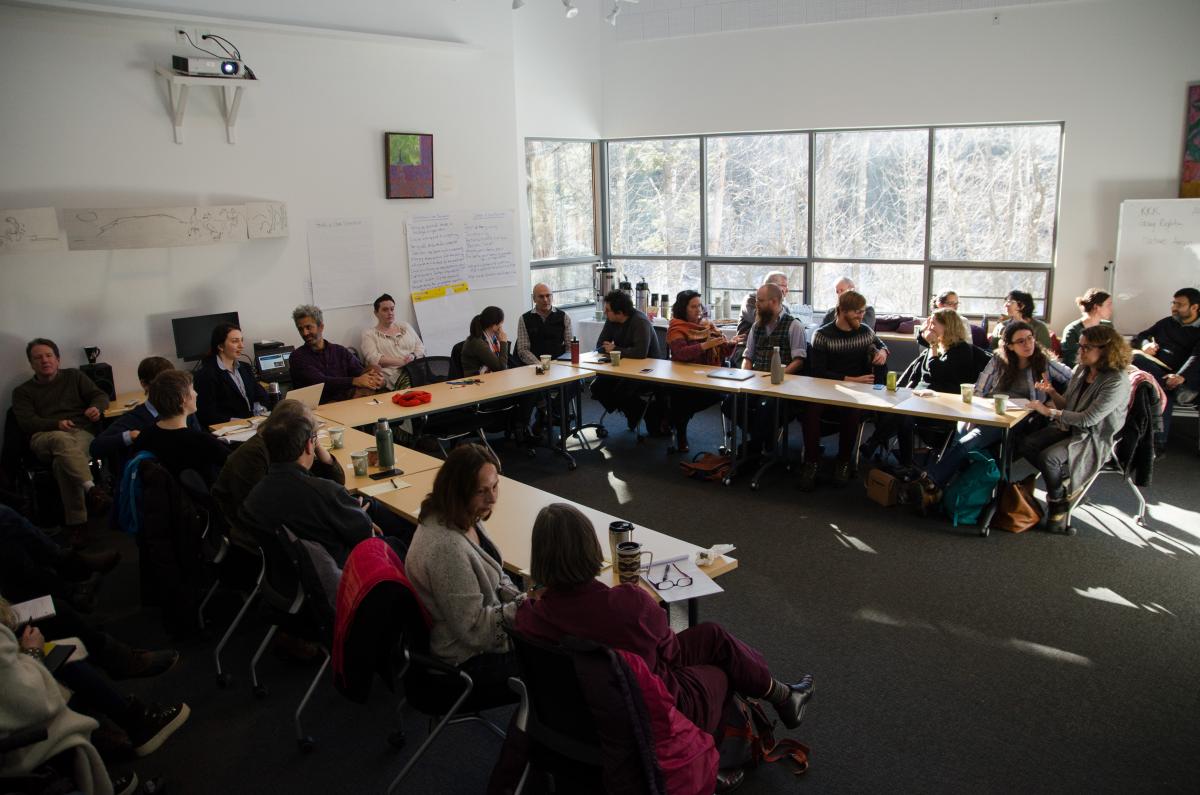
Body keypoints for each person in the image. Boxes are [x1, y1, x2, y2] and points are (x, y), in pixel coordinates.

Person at [515, 503, 815, 740]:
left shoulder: (531, 616)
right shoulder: (627, 603)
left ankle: (784, 695)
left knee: (712, 635)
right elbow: (670, 652)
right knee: (723, 674)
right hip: (654, 708)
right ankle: (714, 763)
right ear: (591, 548)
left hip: (579, 713)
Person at [906, 321, 1072, 514]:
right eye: (1020, 341)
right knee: (961, 434)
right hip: (989, 411)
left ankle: (932, 483)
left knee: (968, 442)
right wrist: (972, 414)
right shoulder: (998, 360)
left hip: (1020, 419)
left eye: (1030, 338)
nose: (1028, 344)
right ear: (1009, 346)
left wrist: (1053, 400)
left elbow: (1074, 379)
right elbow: (979, 389)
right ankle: (941, 491)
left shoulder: (1044, 363)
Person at [0, 598, 189, 763]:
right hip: (14, 736)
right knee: (62, 657)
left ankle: (112, 731)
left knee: (59, 619)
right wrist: (33, 652)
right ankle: (113, 732)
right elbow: (27, 697)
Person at [404, 444, 523, 703]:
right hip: (464, 661)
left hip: (479, 636)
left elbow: (495, 571)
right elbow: (474, 630)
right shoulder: (447, 548)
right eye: (481, 491)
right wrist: (524, 609)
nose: (492, 498)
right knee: (562, 665)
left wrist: (523, 599)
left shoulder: (463, 514)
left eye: (495, 486)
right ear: (458, 491)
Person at [1022, 325, 1132, 533]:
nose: (1079, 351)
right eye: (1080, 346)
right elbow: (1069, 408)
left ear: (1106, 350)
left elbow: (1088, 419)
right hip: (1072, 427)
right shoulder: (1082, 370)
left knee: (1049, 458)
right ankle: (1064, 486)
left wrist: (1049, 412)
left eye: (1086, 347)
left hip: (1093, 436)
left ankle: (1057, 501)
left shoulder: (1116, 381)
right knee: (1027, 444)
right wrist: (1053, 393)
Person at [239, 404, 379, 567]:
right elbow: (365, 534)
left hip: (292, 574)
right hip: (344, 570)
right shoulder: (323, 492)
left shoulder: (256, 493)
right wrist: (358, 516)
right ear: (309, 445)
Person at [11, 338, 111, 545]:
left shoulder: (74, 377)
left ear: (57, 359)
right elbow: (28, 422)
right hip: (44, 437)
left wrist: (96, 408)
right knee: (60, 439)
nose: (44, 360)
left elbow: (100, 395)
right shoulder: (22, 392)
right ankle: (93, 490)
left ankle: (77, 525)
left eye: (48, 356)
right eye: (38, 358)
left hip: (79, 432)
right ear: (31, 363)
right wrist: (56, 424)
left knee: (61, 464)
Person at [801, 290, 888, 490]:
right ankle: (811, 462)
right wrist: (851, 379)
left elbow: (880, 344)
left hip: (856, 392)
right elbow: (818, 372)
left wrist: (882, 351)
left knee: (853, 410)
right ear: (842, 311)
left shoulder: (865, 331)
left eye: (863, 311)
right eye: (857, 312)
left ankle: (843, 461)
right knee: (811, 410)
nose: (861, 316)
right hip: (827, 387)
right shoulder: (822, 335)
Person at [872, 309, 977, 466]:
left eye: (934, 324)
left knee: (903, 413)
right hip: (924, 400)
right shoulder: (940, 345)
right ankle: (904, 462)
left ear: (948, 327)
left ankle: (874, 445)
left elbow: (937, 372)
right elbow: (921, 338)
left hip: (945, 406)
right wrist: (927, 329)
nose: (930, 327)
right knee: (902, 414)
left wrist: (933, 344)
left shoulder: (961, 350)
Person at [90, 357, 201, 477]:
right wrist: (129, 436)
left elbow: (198, 439)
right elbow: (96, 446)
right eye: (162, 385)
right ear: (144, 384)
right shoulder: (134, 418)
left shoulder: (184, 410)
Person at [732, 281, 805, 457]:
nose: (756, 303)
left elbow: (799, 360)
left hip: (782, 385)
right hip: (757, 382)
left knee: (766, 406)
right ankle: (763, 437)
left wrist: (777, 377)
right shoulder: (756, 326)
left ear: (773, 301)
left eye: (760, 300)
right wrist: (746, 375)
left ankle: (755, 447)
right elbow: (748, 356)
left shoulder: (794, 325)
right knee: (730, 403)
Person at [667, 290, 744, 453]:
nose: (698, 310)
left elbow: (723, 353)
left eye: (699, 306)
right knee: (679, 396)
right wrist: (704, 346)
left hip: (710, 377)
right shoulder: (676, 327)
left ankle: (675, 421)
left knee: (716, 396)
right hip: (683, 377)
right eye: (693, 307)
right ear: (683, 308)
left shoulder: (707, 324)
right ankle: (680, 430)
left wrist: (731, 344)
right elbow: (680, 353)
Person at [131, 370, 230, 487]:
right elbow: (238, 465)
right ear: (183, 398)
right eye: (192, 389)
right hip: (203, 502)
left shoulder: (144, 435)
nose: (196, 394)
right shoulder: (202, 441)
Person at [1131, 287, 1200, 449]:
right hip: (1160, 371)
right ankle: (1157, 443)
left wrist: (1180, 376)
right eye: (1173, 303)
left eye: (1179, 304)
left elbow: (1197, 356)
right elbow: (1141, 336)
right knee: (1136, 358)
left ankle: (1157, 443)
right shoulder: (1167, 323)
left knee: (1158, 388)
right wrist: (1146, 344)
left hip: (1184, 377)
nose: (1174, 307)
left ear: (1195, 307)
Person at [591, 290, 662, 430]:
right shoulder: (612, 320)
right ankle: (639, 412)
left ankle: (636, 412)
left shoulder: (640, 321)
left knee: (620, 391)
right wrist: (614, 349)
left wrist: (615, 348)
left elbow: (641, 353)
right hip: (622, 367)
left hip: (647, 370)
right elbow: (600, 345)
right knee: (596, 387)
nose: (605, 313)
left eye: (608, 310)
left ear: (620, 312)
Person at [289, 304, 383, 403]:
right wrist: (354, 381)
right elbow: (318, 383)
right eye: (300, 329)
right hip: (318, 408)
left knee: (374, 369)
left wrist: (377, 380)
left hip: (347, 403)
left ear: (321, 327)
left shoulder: (340, 351)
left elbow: (359, 372)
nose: (305, 333)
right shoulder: (297, 357)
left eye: (308, 327)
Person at [192, 322, 269, 428]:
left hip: (253, 424)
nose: (241, 346)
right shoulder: (206, 374)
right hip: (229, 429)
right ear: (220, 346)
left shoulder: (245, 367)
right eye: (235, 341)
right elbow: (207, 414)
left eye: (241, 340)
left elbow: (261, 394)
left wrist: (260, 408)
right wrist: (240, 422)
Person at [360, 293, 424, 391]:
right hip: (392, 376)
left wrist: (413, 355)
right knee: (414, 392)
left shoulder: (405, 326)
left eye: (392, 309)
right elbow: (373, 358)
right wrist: (402, 362)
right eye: (385, 310)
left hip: (416, 369)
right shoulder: (369, 334)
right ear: (376, 313)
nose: (390, 313)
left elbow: (420, 347)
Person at [515, 282, 573, 365]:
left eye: (548, 295)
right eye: (541, 296)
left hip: (559, 364)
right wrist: (540, 365)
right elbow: (523, 350)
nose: (545, 299)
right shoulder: (524, 319)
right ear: (534, 299)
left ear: (552, 297)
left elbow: (570, 347)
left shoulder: (563, 317)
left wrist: (563, 363)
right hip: (534, 366)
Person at [1060, 288, 1113, 368]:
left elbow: (1115, 351)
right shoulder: (1072, 330)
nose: (1111, 309)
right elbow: (1071, 361)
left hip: (1107, 368)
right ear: (1096, 307)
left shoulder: (1108, 327)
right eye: (1108, 305)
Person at [736, 270, 790, 339]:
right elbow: (760, 320)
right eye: (784, 286)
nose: (787, 290)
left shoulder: (784, 307)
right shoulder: (751, 300)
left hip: (771, 345)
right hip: (745, 344)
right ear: (772, 286)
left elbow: (787, 325)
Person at [460, 306, 511, 376]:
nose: (501, 326)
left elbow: (503, 364)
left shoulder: (492, 338)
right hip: (477, 381)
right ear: (494, 325)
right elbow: (501, 368)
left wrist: (500, 342)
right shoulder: (477, 342)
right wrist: (503, 342)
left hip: (489, 378)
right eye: (501, 323)